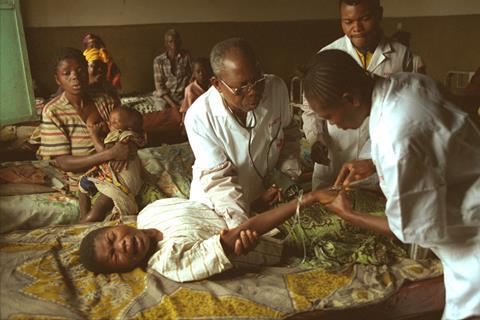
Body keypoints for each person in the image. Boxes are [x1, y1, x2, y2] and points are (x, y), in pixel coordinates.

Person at [302, 49, 480, 320]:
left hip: (471, 245)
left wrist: (348, 215)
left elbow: (407, 229)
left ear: (350, 99)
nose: (332, 123)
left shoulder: (394, 139)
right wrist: (373, 163)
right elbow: (434, 140)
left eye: (329, 117)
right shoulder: (406, 83)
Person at [79, 188, 338, 281]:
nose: (122, 246)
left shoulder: (152, 210)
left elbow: (211, 214)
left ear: (116, 225)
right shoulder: (168, 261)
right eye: (114, 257)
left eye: (113, 239)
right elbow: (235, 234)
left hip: (270, 215)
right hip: (288, 239)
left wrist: (256, 203)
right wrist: (309, 198)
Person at [184, 38, 302, 229]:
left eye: (258, 80)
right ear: (217, 84)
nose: (253, 92)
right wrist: (241, 227)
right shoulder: (199, 116)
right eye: (242, 87)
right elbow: (219, 180)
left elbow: (289, 135)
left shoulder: (276, 88)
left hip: (262, 196)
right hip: (217, 206)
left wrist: (285, 178)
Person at [302, 0, 417, 190]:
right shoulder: (329, 54)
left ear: (379, 14)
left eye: (365, 19)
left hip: (377, 160)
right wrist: (316, 139)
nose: (357, 28)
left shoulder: (401, 55)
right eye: (348, 22)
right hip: (335, 158)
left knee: (371, 211)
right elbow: (311, 108)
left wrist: (374, 161)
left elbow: (406, 112)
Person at [36, 47, 129, 193]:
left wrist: (123, 149)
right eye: (66, 73)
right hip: (84, 181)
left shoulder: (105, 101)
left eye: (80, 71)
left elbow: (126, 134)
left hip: (116, 171)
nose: (75, 77)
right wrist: (108, 154)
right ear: (57, 79)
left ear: (87, 71)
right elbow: (63, 162)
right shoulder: (53, 112)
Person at [78, 106, 146, 222]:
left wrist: (93, 135)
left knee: (100, 204)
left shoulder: (122, 135)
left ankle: (85, 220)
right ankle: (84, 217)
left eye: (114, 122)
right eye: (109, 120)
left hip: (119, 183)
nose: (109, 123)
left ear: (128, 128)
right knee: (84, 182)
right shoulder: (129, 138)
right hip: (121, 180)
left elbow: (104, 153)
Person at [153, 29, 192, 111]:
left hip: (181, 95)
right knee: (162, 110)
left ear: (180, 42)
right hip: (165, 96)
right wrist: (173, 105)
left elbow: (192, 75)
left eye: (176, 41)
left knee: (191, 109)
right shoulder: (159, 61)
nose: (174, 44)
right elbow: (159, 87)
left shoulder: (186, 56)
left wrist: (187, 94)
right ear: (166, 44)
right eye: (170, 42)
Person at [179, 57, 213, 122]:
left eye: (204, 70)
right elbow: (186, 111)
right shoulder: (190, 89)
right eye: (198, 71)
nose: (201, 74)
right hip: (197, 118)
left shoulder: (214, 85)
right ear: (194, 74)